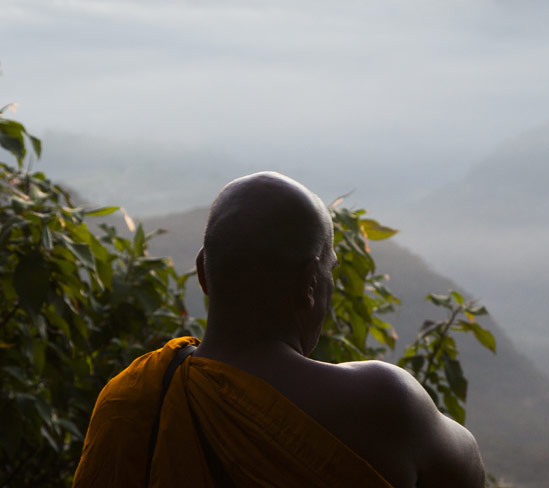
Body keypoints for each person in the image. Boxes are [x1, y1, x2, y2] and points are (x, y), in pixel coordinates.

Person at [73, 172, 485, 488]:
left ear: (202, 272)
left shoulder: (129, 400)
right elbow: (470, 471)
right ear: (310, 284)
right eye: (330, 270)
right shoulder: (385, 404)